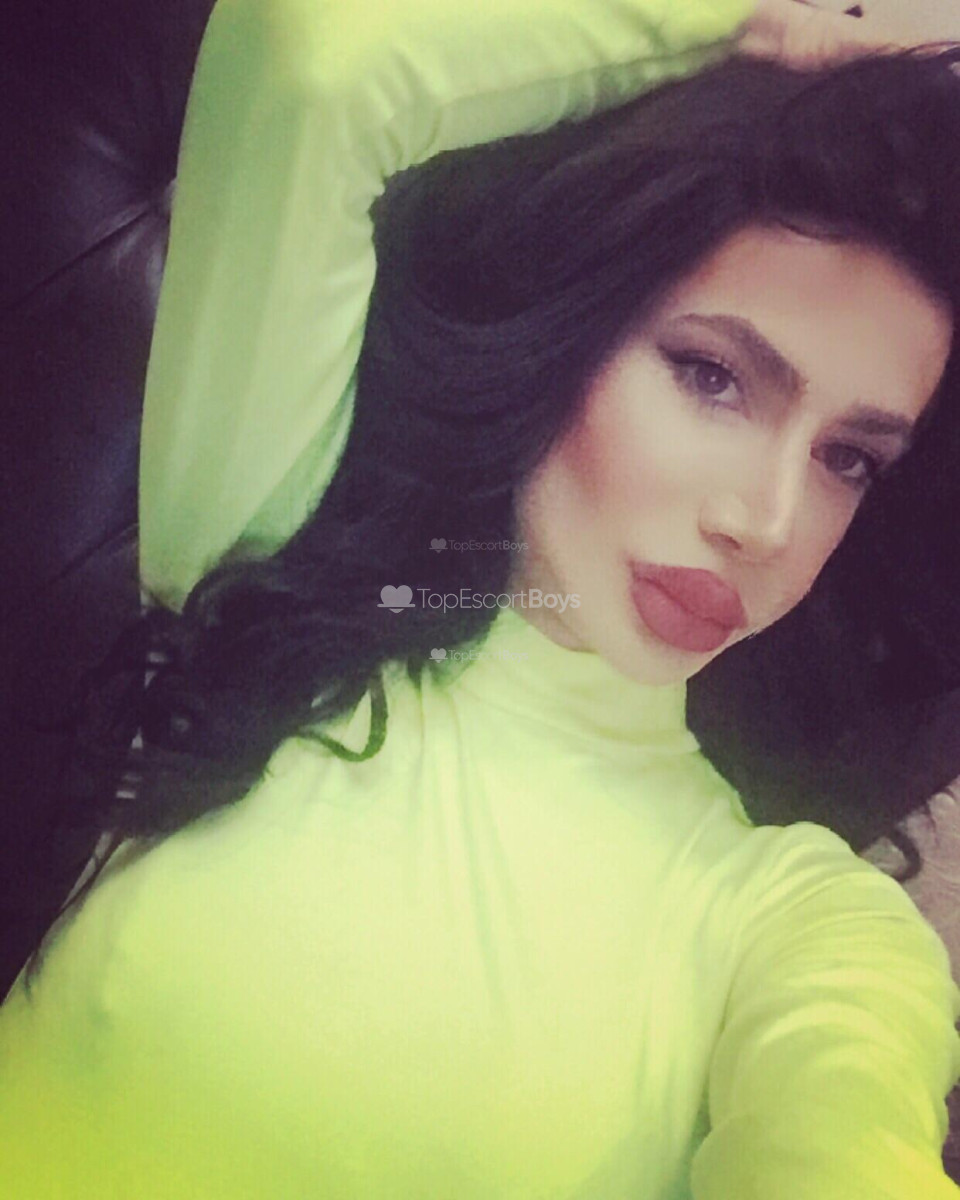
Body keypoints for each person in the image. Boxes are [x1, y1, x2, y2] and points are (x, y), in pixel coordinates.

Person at [2, 0, 960, 1195]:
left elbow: (841, 1135)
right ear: (573, 328)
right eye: (711, 376)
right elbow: (316, 62)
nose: (767, 523)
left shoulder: (789, 920)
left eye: (848, 459)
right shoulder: (274, 559)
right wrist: (750, 32)